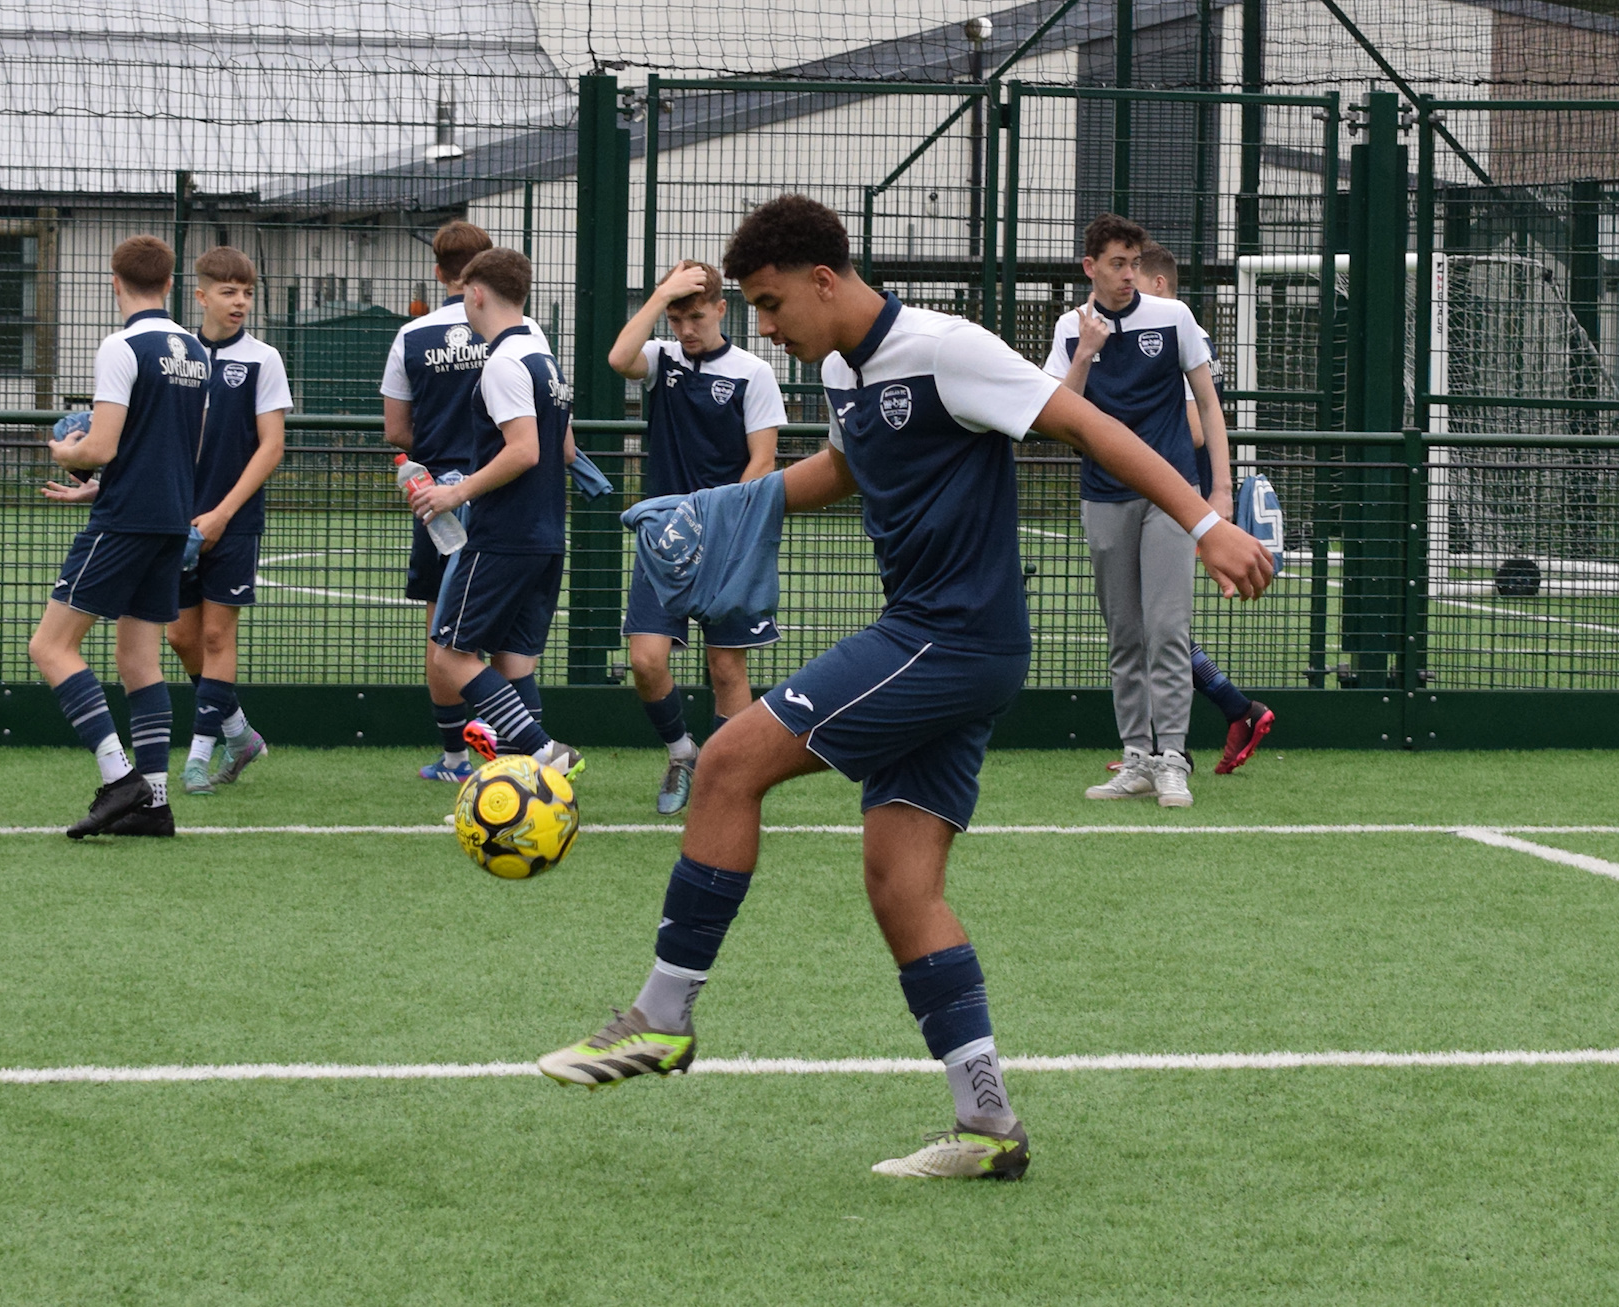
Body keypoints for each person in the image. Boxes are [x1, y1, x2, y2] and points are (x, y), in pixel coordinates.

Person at [537, 196, 1271, 1180]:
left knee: (726, 763)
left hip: (950, 640)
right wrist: (720, 507)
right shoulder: (846, 371)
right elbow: (848, 468)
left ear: (825, 280)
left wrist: (1203, 522)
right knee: (900, 886)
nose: (764, 325)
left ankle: (661, 1018)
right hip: (943, 644)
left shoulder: (945, 348)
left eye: (770, 302)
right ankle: (988, 1129)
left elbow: (1088, 426)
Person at [1044, 214, 1227, 808]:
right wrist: (1086, 355)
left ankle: (1173, 756)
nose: (1130, 275)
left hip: (1172, 495)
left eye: (1135, 262)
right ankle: (1137, 759)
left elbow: (1208, 404)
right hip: (1103, 495)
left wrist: (1219, 492)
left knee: (1167, 627)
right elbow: (1056, 417)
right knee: (1124, 633)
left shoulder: (1172, 318)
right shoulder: (1070, 330)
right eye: (1118, 264)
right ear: (1089, 267)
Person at [28, 235, 208, 839]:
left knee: (50, 648)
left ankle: (119, 776)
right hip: (170, 517)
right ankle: (154, 803)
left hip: (127, 520)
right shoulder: (194, 350)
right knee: (137, 658)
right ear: (171, 281)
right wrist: (98, 487)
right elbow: (174, 448)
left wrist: (66, 454)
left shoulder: (122, 344)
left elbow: (101, 446)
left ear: (114, 281)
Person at [607, 260, 787, 814]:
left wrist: (721, 519)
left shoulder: (752, 372)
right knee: (646, 660)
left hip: (728, 541)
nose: (685, 329)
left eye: (695, 317)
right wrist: (660, 296)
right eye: (677, 317)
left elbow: (763, 460)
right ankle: (682, 751)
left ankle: (721, 776)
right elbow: (618, 359)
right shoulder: (662, 360)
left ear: (720, 309)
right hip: (664, 541)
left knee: (727, 668)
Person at [404, 248, 584, 776]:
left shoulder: (502, 361)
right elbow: (565, 452)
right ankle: (525, 788)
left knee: (450, 655)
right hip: (546, 534)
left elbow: (524, 449)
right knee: (513, 664)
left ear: (475, 292)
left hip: (502, 535)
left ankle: (544, 752)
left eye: (463, 294)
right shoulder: (545, 359)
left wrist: (456, 494)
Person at [1137, 242, 1274, 775]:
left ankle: (1178, 740)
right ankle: (1229, 713)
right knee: (1154, 625)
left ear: (1161, 285)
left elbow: (1195, 424)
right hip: (1164, 493)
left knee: (1158, 625)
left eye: (1135, 277)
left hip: (1176, 495)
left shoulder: (1175, 333)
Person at [167, 247, 290, 794]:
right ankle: (240, 734)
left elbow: (271, 448)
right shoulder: (177, 356)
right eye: (227, 292)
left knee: (218, 635)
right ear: (201, 296)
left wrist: (220, 514)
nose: (239, 302)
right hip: (174, 518)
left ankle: (198, 758)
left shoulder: (264, 359)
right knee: (179, 636)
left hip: (234, 520)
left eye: (246, 292)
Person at [382, 219, 495, 781]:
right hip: (504, 492)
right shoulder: (515, 329)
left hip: (437, 501)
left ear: (438, 270)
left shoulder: (412, 335)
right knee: (507, 630)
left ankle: (454, 758)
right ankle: (513, 753)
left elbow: (396, 430)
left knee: (441, 628)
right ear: (486, 268)